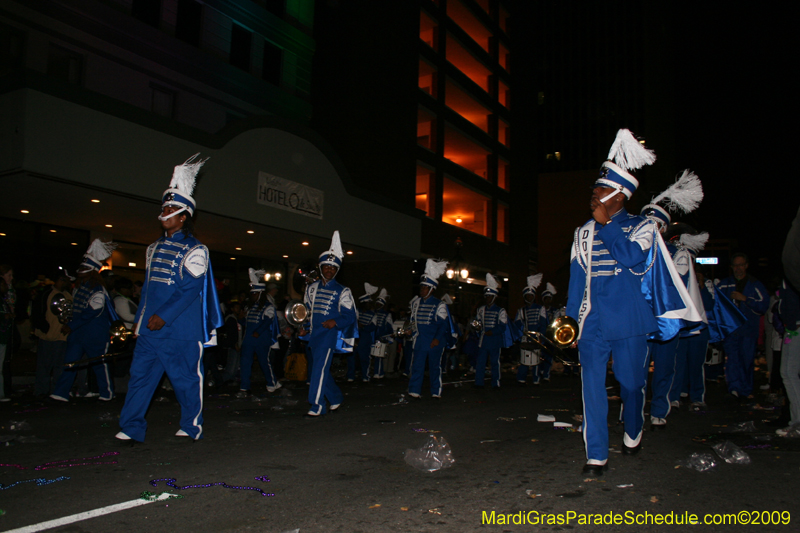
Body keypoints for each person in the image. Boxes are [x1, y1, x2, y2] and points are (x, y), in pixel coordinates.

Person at [567, 129, 698, 477]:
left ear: (618, 195)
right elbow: (577, 278)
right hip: (592, 321)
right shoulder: (582, 232)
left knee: (630, 383)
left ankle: (633, 426)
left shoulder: (643, 227)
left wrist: (606, 226)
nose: (593, 194)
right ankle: (596, 454)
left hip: (629, 320)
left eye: (600, 190)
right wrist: (570, 322)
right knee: (591, 388)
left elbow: (630, 259)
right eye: (594, 189)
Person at [117, 153, 223, 442]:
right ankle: (131, 426)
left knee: (185, 380)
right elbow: (150, 291)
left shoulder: (197, 250)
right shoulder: (152, 248)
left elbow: (190, 289)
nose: (165, 214)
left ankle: (191, 425)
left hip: (181, 330)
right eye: (164, 208)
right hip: (150, 328)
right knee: (140, 378)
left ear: (184, 215)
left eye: (172, 209)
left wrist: (162, 317)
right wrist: (140, 324)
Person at [640, 171, 704, 428]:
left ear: (663, 229)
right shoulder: (635, 250)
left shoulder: (679, 254)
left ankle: (659, 410)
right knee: (636, 370)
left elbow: (675, 286)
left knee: (664, 369)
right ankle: (633, 409)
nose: (651, 229)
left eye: (656, 226)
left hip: (666, 320)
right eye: (647, 225)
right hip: (641, 319)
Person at [50, 240, 118, 402]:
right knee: (70, 363)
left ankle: (107, 393)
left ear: (92, 272)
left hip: (95, 334)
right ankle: (61, 392)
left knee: (99, 364)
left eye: (84, 270)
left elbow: (91, 312)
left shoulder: (98, 290)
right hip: (78, 333)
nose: (80, 272)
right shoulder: (80, 287)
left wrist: (71, 325)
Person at [299, 231, 357, 416]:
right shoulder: (311, 288)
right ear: (321, 267)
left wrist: (335, 321)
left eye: (333, 268)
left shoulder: (343, 291)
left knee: (317, 370)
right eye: (327, 267)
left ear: (337, 270)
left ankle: (317, 405)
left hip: (329, 336)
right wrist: (303, 326)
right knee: (320, 369)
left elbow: (350, 316)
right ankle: (336, 397)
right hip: (313, 334)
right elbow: (306, 312)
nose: (330, 270)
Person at [717, 253, 768, 399]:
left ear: (746, 265)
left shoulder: (755, 284)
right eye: (735, 265)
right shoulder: (725, 284)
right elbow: (716, 305)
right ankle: (734, 388)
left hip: (748, 330)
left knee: (746, 360)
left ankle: (746, 390)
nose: (738, 268)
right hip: (731, 331)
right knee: (732, 359)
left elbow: (763, 306)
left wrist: (745, 299)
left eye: (741, 265)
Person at [408, 259, 450, 399]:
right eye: (421, 287)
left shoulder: (440, 304)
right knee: (417, 366)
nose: (422, 290)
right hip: (420, 340)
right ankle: (414, 390)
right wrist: (410, 330)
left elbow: (443, 324)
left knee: (434, 367)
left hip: (433, 341)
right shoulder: (416, 303)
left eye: (425, 288)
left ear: (431, 289)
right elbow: (413, 321)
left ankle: (435, 391)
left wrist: (437, 339)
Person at [237, 268, 281, 398]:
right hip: (249, 340)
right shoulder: (249, 307)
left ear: (261, 294)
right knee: (245, 362)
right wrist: (240, 317)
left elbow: (268, 321)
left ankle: (272, 382)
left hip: (262, 339)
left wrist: (258, 331)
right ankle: (244, 386)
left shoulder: (268, 306)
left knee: (264, 361)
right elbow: (245, 322)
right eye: (252, 294)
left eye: (255, 294)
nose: (253, 296)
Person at [33, 271, 73, 398]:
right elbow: (37, 312)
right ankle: (41, 391)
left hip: (62, 337)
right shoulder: (46, 293)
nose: (65, 282)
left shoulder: (68, 295)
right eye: (63, 280)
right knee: (44, 367)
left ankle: (57, 391)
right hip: (48, 336)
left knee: (59, 367)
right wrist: (43, 328)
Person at [474, 274, 511, 389]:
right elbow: (477, 322)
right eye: (487, 296)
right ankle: (479, 382)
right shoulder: (480, 310)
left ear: (494, 297)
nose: (488, 298)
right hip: (484, 340)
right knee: (480, 362)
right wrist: (477, 328)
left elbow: (502, 326)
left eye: (490, 296)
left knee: (495, 362)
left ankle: (496, 382)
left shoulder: (501, 311)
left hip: (495, 340)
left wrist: (493, 332)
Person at [513, 274, 547, 385]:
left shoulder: (540, 308)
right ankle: (521, 377)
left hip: (536, 337)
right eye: (527, 296)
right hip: (525, 337)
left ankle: (536, 378)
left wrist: (542, 337)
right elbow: (517, 324)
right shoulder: (521, 310)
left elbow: (543, 324)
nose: (529, 297)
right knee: (524, 358)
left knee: (536, 359)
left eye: (531, 295)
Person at [352, 283, 378, 382]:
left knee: (365, 358)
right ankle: (351, 375)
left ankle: (365, 376)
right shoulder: (357, 311)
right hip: (355, 336)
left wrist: (363, 327)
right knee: (352, 358)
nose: (370, 305)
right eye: (368, 303)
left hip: (365, 338)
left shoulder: (372, 314)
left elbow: (373, 326)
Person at [371, 289, 395, 379]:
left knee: (379, 355)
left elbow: (389, 326)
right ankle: (378, 372)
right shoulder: (373, 313)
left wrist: (389, 336)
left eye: (379, 304)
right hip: (373, 337)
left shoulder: (386, 314)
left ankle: (379, 373)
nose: (378, 305)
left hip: (381, 337)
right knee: (375, 355)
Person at [0, 265, 15, 402]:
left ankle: (3, 391)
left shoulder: (8, 293)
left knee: (3, 363)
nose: (11, 279)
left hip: (4, 333)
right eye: (8, 275)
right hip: (2, 333)